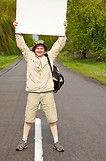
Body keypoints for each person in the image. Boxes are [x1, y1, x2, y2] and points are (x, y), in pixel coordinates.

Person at [13, 20, 67, 152]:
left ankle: (56, 142)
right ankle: (24, 141)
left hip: (47, 92)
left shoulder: (50, 57)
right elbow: (21, 44)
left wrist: (63, 29)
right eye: (37, 48)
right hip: (33, 92)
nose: (39, 50)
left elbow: (59, 44)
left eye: (41, 48)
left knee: (52, 118)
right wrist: (17, 30)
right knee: (28, 118)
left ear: (44, 49)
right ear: (34, 49)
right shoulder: (29, 56)